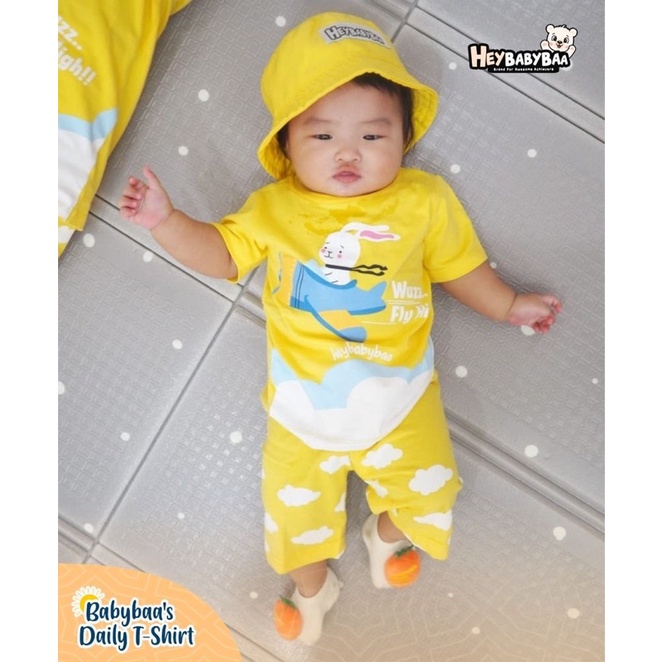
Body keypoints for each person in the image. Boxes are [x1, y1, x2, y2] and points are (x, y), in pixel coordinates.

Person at [119, 12, 562, 646]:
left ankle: (386, 531)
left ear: (404, 138)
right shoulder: (275, 208)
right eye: (322, 135)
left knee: (434, 493)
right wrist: (167, 221)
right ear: (287, 146)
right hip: (303, 413)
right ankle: (312, 586)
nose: (348, 153)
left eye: (373, 135)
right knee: (290, 524)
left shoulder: (422, 200)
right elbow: (222, 255)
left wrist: (508, 303)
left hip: (401, 400)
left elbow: (460, 267)